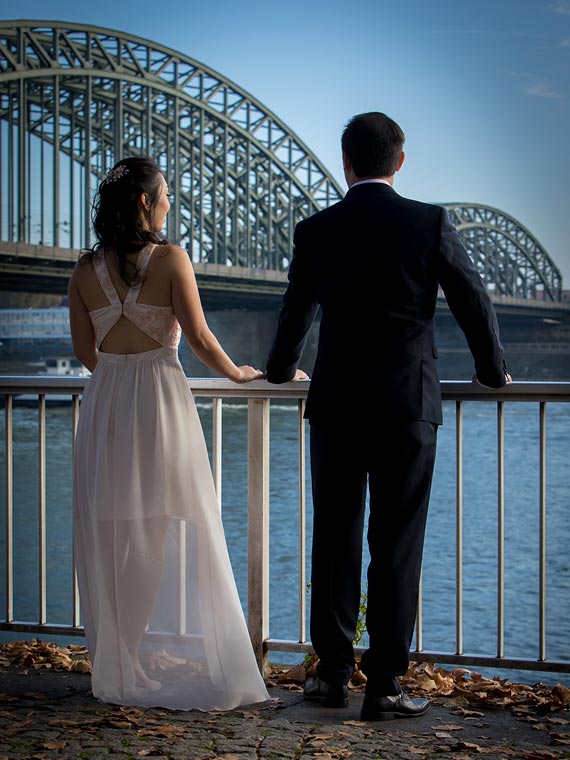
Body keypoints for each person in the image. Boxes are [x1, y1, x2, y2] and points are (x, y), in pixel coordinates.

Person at [266, 112, 510, 721]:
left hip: (338, 407)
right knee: (396, 545)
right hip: (407, 408)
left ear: (345, 161)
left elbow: (296, 314)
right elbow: (472, 298)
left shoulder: (317, 229)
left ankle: (330, 677)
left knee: (337, 539)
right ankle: (386, 685)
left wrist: (277, 369)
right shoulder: (428, 222)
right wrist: (490, 369)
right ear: (399, 162)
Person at [68, 156, 269, 711]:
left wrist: (117, 375)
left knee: (112, 537)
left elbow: (87, 354)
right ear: (143, 203)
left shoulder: (84, 272)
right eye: (165, 195)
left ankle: (118, 661)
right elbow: (200, 336)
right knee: (154, 537)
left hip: (107, 403)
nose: (169, 203)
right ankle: (128, 656)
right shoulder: (172, 258)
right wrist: (237, 373)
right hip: (159, 401)